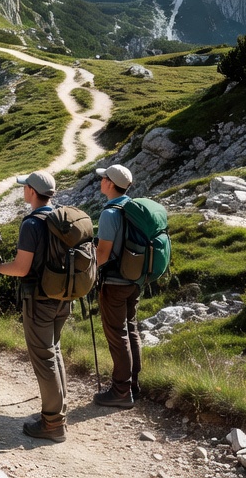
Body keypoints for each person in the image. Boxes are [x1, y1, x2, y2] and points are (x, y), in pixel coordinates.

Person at [0, 170, 70, 442]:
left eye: (25, 187)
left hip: (39, 300)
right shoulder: (62, 219)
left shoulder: (32, 224)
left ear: (33, 192)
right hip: (63, 296)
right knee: (54, 351)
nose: (23, 191)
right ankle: (56, 411)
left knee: (44, 357)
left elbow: (22, 268)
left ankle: (53, 423)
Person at [93, 163, 141, 408]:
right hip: (135, 281)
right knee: (130, 329)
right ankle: (133, 384)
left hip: (114, 282)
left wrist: (85, 271)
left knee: (117, 334)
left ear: (110, 184)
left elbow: (102, 254)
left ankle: (121, 391)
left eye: (103, 178)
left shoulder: (110, 213)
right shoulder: (133, 208)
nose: (100, 181)